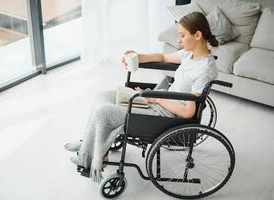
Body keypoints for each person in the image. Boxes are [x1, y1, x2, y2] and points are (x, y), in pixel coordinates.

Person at [65, 11, 219, 182]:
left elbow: (188, 112)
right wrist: (138, 57)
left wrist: (157, 98)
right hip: (161, 100)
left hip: (165, 114)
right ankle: (89, 144)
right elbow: (162, 57)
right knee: (102, 97)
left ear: (197, 35)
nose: (178, 40)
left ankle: (90, 154)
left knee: (104, 112)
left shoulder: (204, 69)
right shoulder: (190, 54)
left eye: (182, 35)